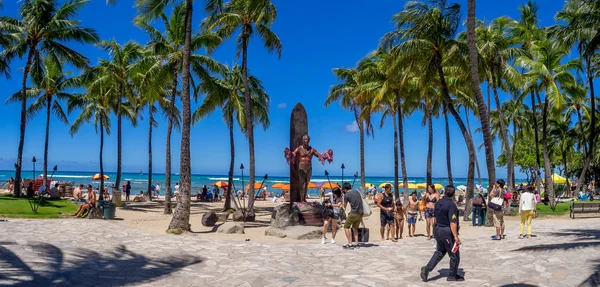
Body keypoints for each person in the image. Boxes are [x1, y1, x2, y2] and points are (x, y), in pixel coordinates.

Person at [420, 185, 463, 282]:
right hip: (446, 231)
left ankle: (427, 269)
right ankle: (452, 275)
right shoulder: (451, 205)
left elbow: (435, 216)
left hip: (437, 229)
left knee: (440, 251)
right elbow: (453, 222)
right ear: (453, 194)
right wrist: (456, 236)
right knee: (454, 254)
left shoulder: (438, 202)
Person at [342, 182, 363, 249]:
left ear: (344, 189)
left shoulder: (346, 195)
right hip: (361, 212)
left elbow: (344, 206)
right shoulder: (356, 191)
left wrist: (343, 199)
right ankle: (356, 243)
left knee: (346, 227)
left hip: (354, 212)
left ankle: (350, 243)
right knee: (355, 228)